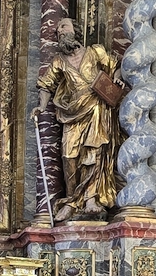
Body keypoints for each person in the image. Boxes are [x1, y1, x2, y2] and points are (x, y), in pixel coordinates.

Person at [37, 17, 121, 217]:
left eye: (63, 26)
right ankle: (72, 201)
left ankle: (91, 199)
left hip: (95, 108)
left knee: (93, 152)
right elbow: (46, 85)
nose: (59, 31)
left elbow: (115, 66)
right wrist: (41, 106)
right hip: (71, 112)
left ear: (75, 30)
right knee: (68, 155)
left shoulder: (95, 51)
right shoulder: (59, 61)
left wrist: (117, 78)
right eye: (57, 30)